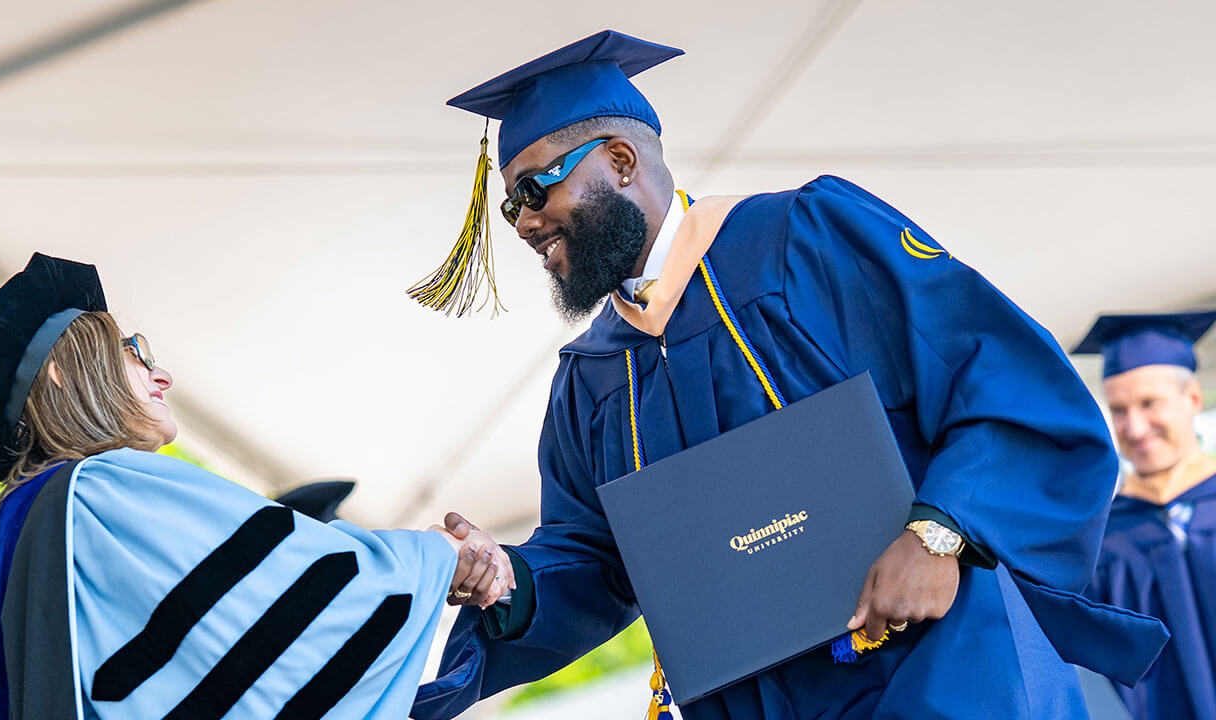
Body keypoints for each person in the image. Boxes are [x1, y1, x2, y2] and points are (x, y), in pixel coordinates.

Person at [411, 30, 1169, 720]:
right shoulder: (592, 378)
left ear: (620, 161)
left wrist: (940, 533)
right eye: (510, 207)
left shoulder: (804, 240)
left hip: (942, 676)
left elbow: (1001, 378)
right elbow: (595, 558)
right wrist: (509, 578)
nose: (524, 222)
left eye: (535, 189)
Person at [0, 253, 510, 719]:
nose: (162, 374)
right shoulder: (100, 490)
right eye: (135, 351)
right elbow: (302, 601)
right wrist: (438, 556)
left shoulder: (33, 523)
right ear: (61, 372)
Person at [1074, 311, 1216, 719]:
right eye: (1119, 410)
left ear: (1192, 399)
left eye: (1149, 403)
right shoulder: (1104, 539)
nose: (1134, 428)